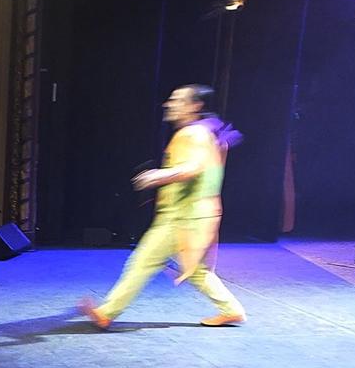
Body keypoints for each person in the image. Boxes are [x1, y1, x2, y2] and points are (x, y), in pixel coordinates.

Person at [79, 84, 247, 331]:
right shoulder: (205, 133)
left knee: (143, 261)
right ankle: (232, 310)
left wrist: (157, 176)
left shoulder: (193, 135)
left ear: (194, 106)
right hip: (196, 214)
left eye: (177, 100)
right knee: (197, 270)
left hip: (182, 217)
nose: (169, 104)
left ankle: (106, 313)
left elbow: (192, 169)